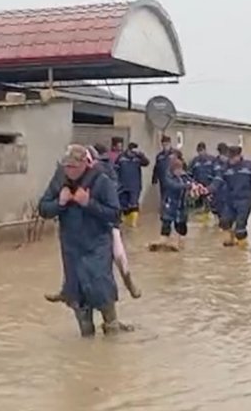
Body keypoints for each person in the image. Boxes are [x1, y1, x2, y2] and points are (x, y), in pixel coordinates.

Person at [39, 144, 130, 337]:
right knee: (77, 298)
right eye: (66, 166)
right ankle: (86, 342)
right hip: (71, 248)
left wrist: (88, 204)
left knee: (101, 289)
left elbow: (115, 214)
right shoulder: (59, 180)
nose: (69, 170)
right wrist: (60, 203)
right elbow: (43, 208)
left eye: (73, 166)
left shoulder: (101, 181)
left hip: (97, 245)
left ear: (84, 165)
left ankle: (112, 335)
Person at [208, 146, 251, 250]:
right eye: (229, 157)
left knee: (240, 227)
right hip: (230, 200)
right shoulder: (225, 168)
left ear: (239, 156)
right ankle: (231, 241)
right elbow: (217, 181)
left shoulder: (249, 166)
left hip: (245, 200)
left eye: (232, 158)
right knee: (224, 221)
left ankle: (243, 251)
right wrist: (208, 190)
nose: (230, 160)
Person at [156, 154, 200, 250]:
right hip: (170, 205)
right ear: (172, 170)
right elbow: (174, 186)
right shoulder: (168, 178)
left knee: (181, 227)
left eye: (180, 169)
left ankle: (180, 245)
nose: (179, 172)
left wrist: (196, 187)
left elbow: (193, 182)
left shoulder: (185, 177)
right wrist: (187, 186)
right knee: (166, 224)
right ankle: (162, 243)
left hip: (181, 207)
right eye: (177, 170)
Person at [116, 142, 150, 227]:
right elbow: (115, 168)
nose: (134, 152)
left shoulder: (138, 158)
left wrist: (141, 155)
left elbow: (146, 163)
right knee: (122, 204)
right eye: (132, 150)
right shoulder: (121, 157)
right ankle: (123, 222)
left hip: (135, 185)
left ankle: (133, 224)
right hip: (122, 185)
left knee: (134, 203)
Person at [187, 142, 215, 219]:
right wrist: (193, 183)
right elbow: (189, 174)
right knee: (199, 209)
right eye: (199, 151)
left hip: (210, 187)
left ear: (205, 150)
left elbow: (217, 173)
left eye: (202, 151)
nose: (201, 153)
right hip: (198, 187)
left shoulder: (212, 160)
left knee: (212, 207)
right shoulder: (194, 161)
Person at [151, 135, 179, 208]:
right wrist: (154, 178)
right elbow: (156, 167)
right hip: (163, 179)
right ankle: (164, 211)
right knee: (164, 196)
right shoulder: (159, 156)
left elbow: (182, 165)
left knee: (173, 195)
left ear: (170, 143)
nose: (165, 146)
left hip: (173, 179)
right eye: (163, 144)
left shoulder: (175, 153)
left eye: (166, 144)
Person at [207, 142, 230, 224]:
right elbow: (210, 178)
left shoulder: (231, 163)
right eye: (221, 153)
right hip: (217, 195)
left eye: (225, 154)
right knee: (220, 218)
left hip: (229, 195)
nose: (223, 156)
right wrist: (209, 192)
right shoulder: (214, 163)